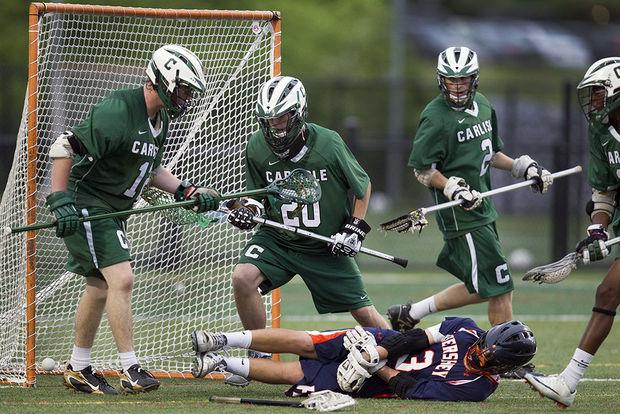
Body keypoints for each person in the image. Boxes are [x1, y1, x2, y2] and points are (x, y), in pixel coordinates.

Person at [46, 45, 220, 394]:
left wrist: (185, 189)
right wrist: (60, 200)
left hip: (114, 209)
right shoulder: (119, 110)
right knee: (122, 278)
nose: (187, 97)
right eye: (183, 88)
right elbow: (63, 147)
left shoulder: (162, 117)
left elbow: (149, 166)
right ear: (162, 81)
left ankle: (79, 367)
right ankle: (131, 368)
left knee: (99, 286)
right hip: (89, 202)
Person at [226, 76, 389, 332]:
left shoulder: (328, 143)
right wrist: (246, 212)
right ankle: (258, 353)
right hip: (278, 239)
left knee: (364, 313)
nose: (275, 126)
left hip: (325, 243)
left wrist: (355, 228)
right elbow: (255, 197)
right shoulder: (257, 145)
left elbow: (362, 186)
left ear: (299, 112)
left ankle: (404, 353)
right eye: (268, 120)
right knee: (242, 277)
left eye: (281, 117)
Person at [524, 57, 620, 409]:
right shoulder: (600, 132)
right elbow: (605, 192)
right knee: (608, 292)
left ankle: (568, 382)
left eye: (598, 93)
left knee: (609, 290)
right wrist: (597, 231)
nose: (593, 101)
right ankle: (568, 382)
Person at [191, 318, 536, 401]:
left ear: (501, 367)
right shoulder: (466, 328)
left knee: (293, 373)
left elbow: (412, 389)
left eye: (485, 357)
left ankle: (220, 364)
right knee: (307, 342)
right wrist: (376, 351)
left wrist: (375, 367)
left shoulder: (476, 386)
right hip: (383, 346)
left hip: (376, 378)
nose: (478, 353)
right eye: (482, 346)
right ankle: (223, 339)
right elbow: (418, 336)